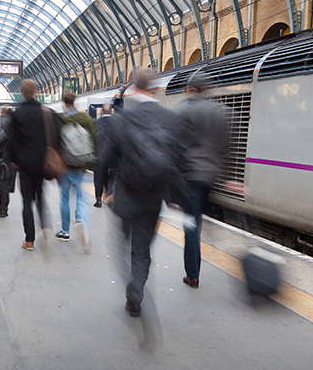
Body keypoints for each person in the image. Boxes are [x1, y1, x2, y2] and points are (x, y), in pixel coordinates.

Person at [97, 69, 183, 317]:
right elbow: (178, 161)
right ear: (155, 89)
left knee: (122, 246)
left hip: (125, 196)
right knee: (142, 250)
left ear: (134, 89)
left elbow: (103, 159)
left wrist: (102, 190)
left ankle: (131, 289)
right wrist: (177, 197)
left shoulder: (121, 119)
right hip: (153, 198)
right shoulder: (170, 119)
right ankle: (136, 293)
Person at [177, 74, 230, 289]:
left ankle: (193, 274)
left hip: (190, 177)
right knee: (199, 222)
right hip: (210, 176)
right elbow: (225, 147)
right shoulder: (221, 111)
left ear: (191, 89)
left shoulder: (186, 111)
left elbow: (178, 145)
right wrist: (224, 176)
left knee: (191, 225)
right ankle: (195, 268)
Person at [7, 79, 54, 252]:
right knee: (40, 197)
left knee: (27, 202)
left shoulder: (17, 114)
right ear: (35, 91)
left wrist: (13, 161)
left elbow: (10, 141)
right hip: (42, 164)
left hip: (24, 166)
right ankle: (45, 230)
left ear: (21, 93)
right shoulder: (46, 112)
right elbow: (55, 137)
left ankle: (30, 240)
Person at [55, 92, 95, 253]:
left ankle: (65, 231)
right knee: (80, 196)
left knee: (64, 197)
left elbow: (54, 140)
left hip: (64, 165)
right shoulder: (86, 119)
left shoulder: (59, 119)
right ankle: (82, 223)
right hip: (80, 164)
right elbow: (94, 140)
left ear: (63, 103)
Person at [93, 104, 115, 208]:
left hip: (99, 155)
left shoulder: (96, 123)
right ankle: (109, 193)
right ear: (112, 112)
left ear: (101, 112)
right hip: (113, 156)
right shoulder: (118, 124)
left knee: (98, 178)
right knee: (111, 176)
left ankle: (98, 199)